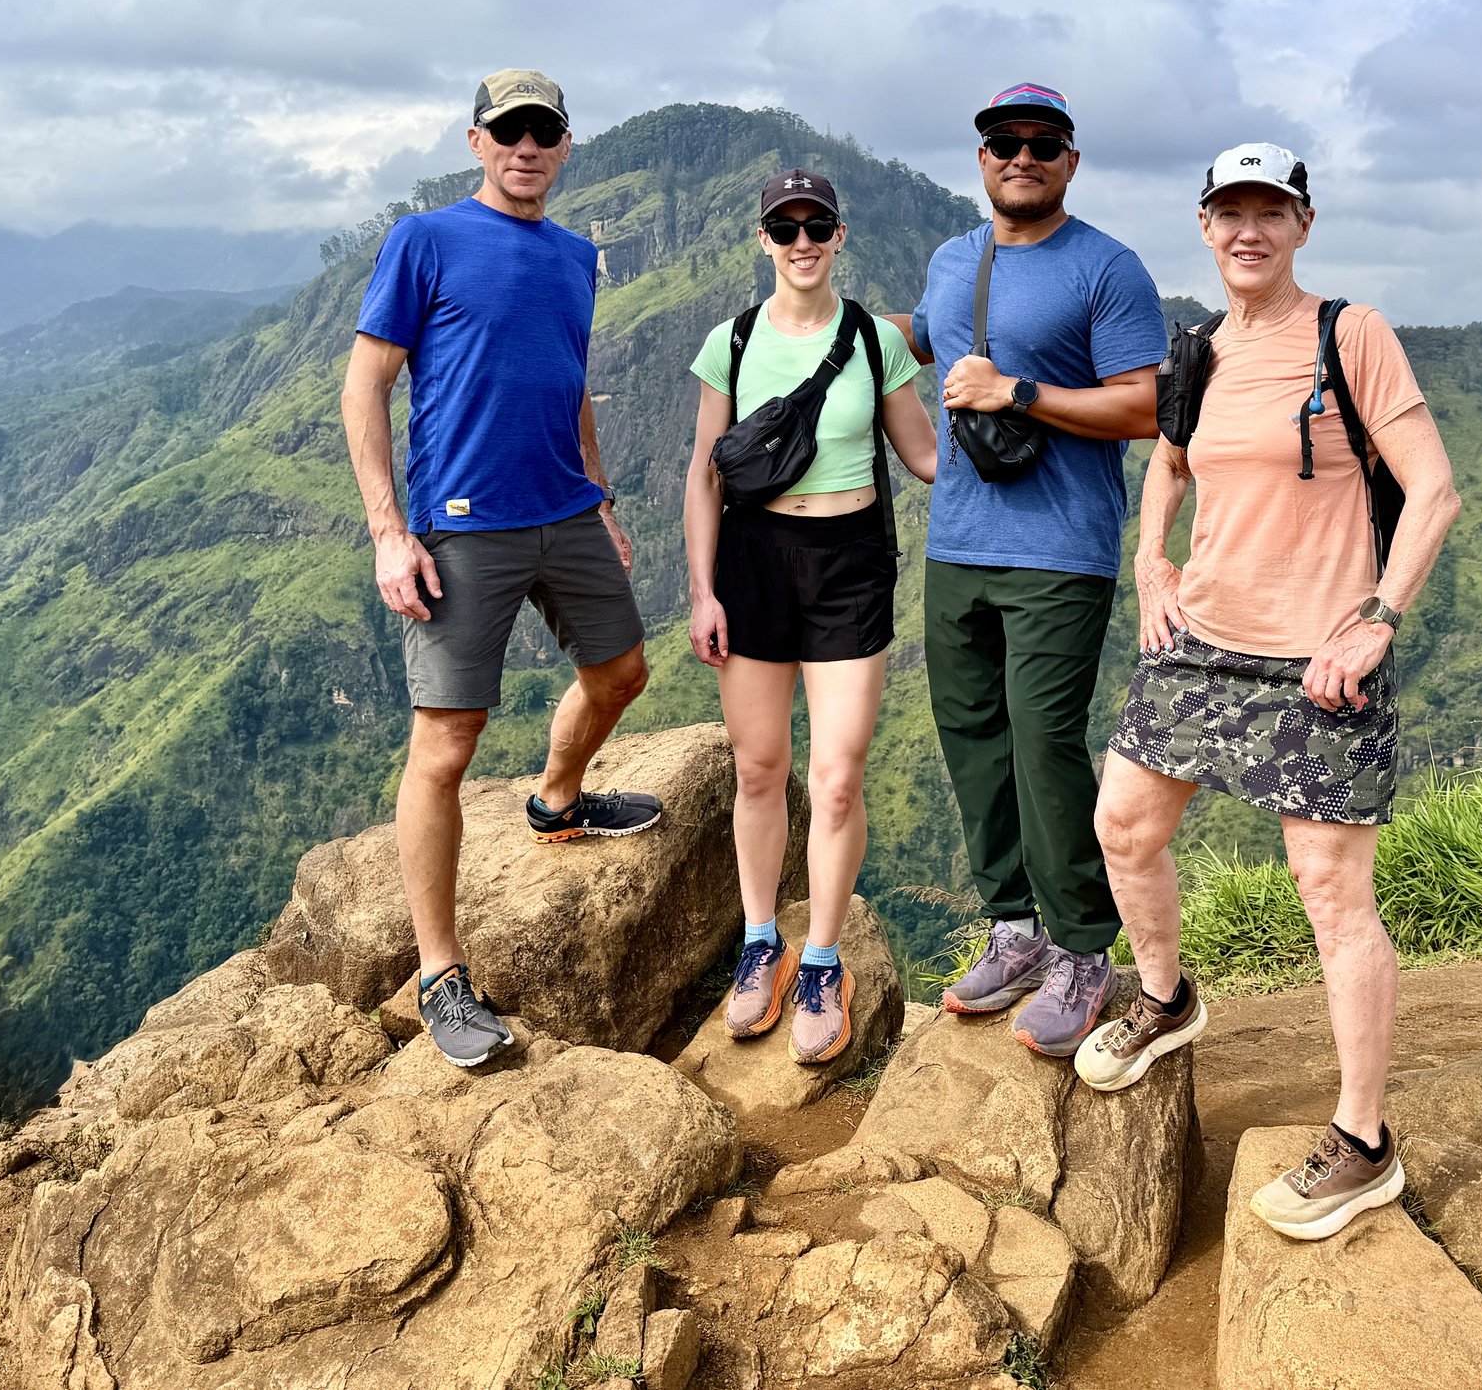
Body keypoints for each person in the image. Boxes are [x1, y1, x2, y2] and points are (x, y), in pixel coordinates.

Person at [1078, 141, 1463, 1242]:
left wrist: (1378, 619)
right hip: (1199, 641)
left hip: (1316, 657)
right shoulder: (1194, 352)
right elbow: (1168, 461)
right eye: (1229, 211)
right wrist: (1151, 561)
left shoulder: (1352, 335)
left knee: (1329, 892)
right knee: (1124, 827)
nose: (1248, 230)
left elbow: (1431, 491)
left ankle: (1362, 1141)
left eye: (1270, 211)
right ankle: (1164, 997)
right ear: (1204, 225)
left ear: (1302, 225)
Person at [342, 69, 657, 1070]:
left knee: (622, 675)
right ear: (477, 143)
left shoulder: (574, 257)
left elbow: (570, 387)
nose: (526, 148)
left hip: (565, 509)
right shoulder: (423, 240)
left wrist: (602, 501)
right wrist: (389, 530)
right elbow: (366, 381)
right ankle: (442, 974)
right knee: (446, 743)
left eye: (543, 133)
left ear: (564, 147)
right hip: (460, 525)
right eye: (507, 132)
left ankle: (557, 801)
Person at [893, 84, 1168, 1058]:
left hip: (1058, 551)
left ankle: (1085, 948)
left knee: (1044, 743)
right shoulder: (952, 260)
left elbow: (1142, 406)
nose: (1022, 156)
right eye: (1004, 142)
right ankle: (1014, 926)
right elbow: (919, 337)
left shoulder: (1106, 268)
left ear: (1069, 162)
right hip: (957, 542)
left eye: (1042, 144)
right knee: (972, 737)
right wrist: (806, 321)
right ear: (980, 159)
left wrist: (1019, 391)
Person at [683, 171, 939, 1064]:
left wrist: (1028, 412)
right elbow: (704, 474)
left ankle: (823, 959)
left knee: (835, 776)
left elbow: (925, 456)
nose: (801, 240)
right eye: (784, 227)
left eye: (815, 224)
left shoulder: (875, 341)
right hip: (753, 563)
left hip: (849, 564)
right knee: (760, 770)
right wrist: (703, 588)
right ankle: (762, 943)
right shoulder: (734, 341)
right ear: (763, 238)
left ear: (839, 234)